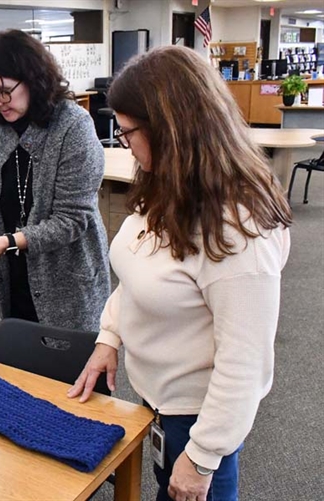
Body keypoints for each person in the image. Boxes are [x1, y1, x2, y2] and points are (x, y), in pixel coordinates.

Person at [68, 46, 292, 501]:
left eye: (129, 132)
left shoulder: (239, 228)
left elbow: (244, 363)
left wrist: (203, 455)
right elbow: (139, 274)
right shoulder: (170, 183)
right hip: (160, 401)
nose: (124, 142)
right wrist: (109, 336)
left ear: (171, 130)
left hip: (200, 417)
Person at [0, 29, 110, 332]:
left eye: (3, 91)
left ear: (33, 77)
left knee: (73, 373)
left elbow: (72, 220)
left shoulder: (72, 126)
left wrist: (6, 242)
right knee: (21, 368)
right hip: (15, 276)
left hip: (68, 280)